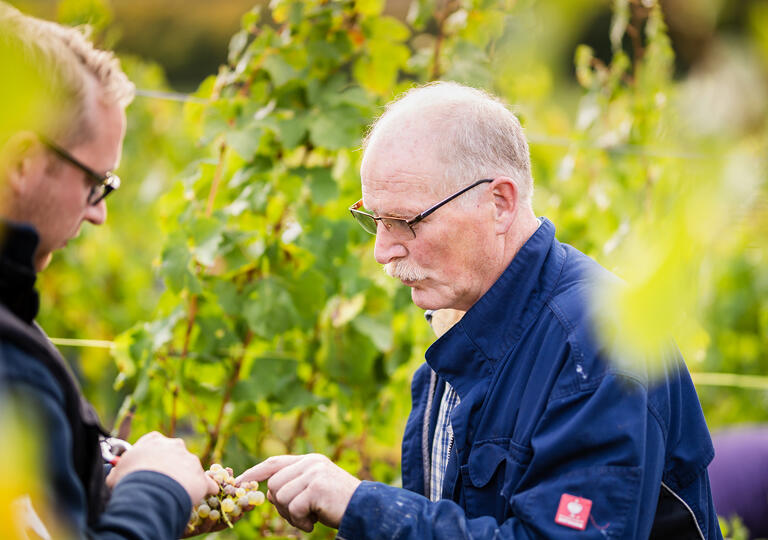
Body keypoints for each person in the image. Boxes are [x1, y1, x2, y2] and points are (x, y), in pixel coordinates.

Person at [238, 82, 722, 539]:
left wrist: (364, 507)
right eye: (375, 220)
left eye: (405, 222)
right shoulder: (460, 318)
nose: (383, 251)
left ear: (499, 203)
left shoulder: (598, 345)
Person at [0, 4, 218, 538]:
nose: (98, 213)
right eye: (96, 183)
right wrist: (157, 492)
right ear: (23, 162)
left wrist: (96, 485)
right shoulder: (11, 370)